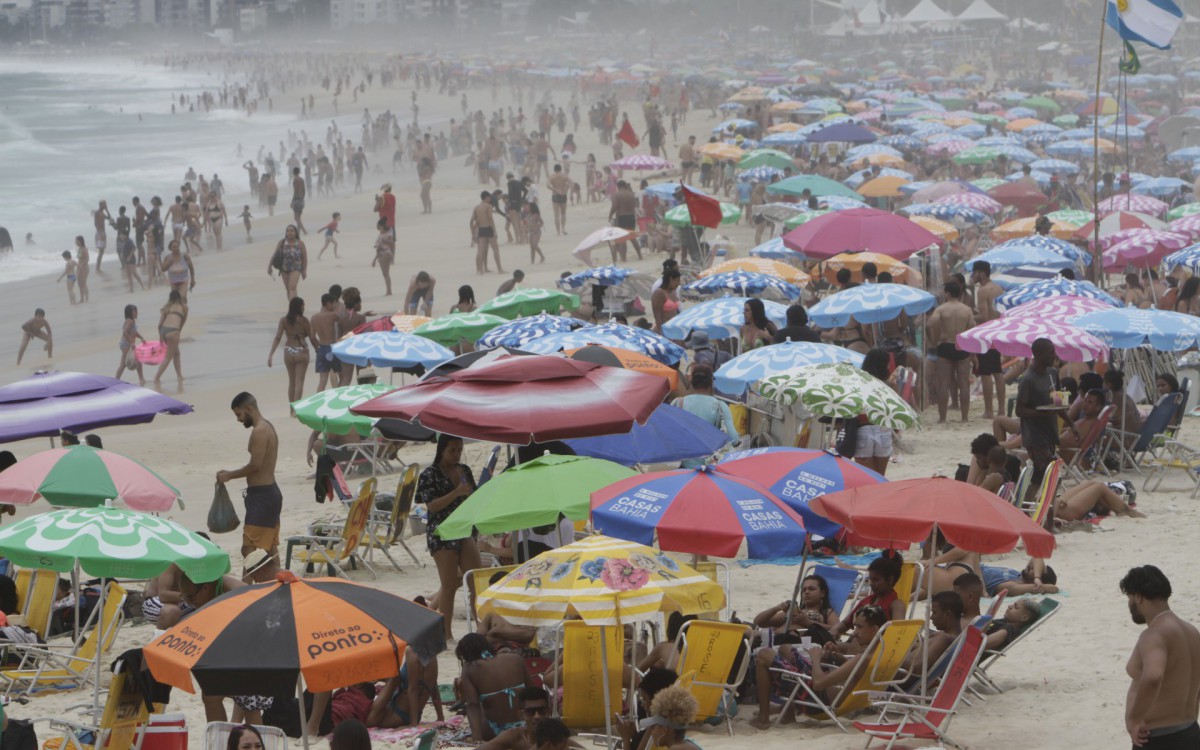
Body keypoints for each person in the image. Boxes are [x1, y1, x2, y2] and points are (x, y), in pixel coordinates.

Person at [1121, 565, 1200, 748]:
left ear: (1138, 597)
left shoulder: (1154, 635)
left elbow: (1153, 676)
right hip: (1190, 732)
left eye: (1129, 597)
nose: (1129, 604)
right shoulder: (1192, 632)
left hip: (1159, 738)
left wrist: (1134, 719)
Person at [418, 434, 482, 641]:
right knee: (448, 586)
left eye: (459, 450)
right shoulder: (430, 474)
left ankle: (482, 627)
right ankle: (446, 634)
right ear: (442, 450)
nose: (456, 455)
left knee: (475, 580)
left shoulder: (464, 471)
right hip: (441, 531)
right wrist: (456, 493)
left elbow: (475, 498)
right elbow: (432, 506)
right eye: (451, 450)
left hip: (463, 528)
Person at [217, 393, 282, 559]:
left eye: (239, 414)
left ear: (248, 409)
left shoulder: (260, 431)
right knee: (270, 548)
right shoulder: (267, 426)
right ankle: (278, 583)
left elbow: (255, 465)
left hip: (263, 497)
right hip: (268, 494)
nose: (238, 419)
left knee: (249, 550)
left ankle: (247, 585)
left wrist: (229, 475)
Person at [457, 633, 534, 741]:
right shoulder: (516, 658)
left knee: (481, 706)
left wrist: (477, 739)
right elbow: (533, 691)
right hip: (524, 725)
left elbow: (472, 705)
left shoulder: (469, 668)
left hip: (494, 731)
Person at [1016, 338, 1060, 510]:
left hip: (1050, 432)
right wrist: (1040, 413)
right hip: (1034, 434)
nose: (1054, 355)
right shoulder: (1028, 379)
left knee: (1041, 475)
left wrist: (1071, 424)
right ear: (1039, 354)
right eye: (1051, 352)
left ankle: (1024, 508)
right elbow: (1020, 410)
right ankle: (1045, 512)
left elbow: (1058, 401)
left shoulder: (1052, 374)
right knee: (1051, 474)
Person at [671, 367, 738, 466]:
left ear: (692, 382)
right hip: (709, 467)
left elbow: (667, 433)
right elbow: (734, 439)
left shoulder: (678, 402)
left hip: (681, 466)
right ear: (711, 383)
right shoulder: (720, 406)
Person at [929, 281, 974, 423]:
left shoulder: (941, 309)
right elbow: (972, 329)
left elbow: (929, 324)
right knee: (964, 384)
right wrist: (973, 352)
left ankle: (942, 418)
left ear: (947, 293)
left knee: (944, 383)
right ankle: (965, 417)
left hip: (946, 345)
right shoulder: (967, 310)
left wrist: (933, 341)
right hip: (961, 346)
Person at [831, 557, 905, 637]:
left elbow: (897, 632)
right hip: (858, 644)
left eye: (876, 580)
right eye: (870, 579)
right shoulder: (866, 601)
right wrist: (834, 630)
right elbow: (845, 623)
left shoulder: (896, 605)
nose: (871, 583)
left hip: (876, 645)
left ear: (890, 580)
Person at [972, 261, 1006, 419]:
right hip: (998, 332)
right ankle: (1001, 410)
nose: (973, 275)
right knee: (998, 372)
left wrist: (970, 314)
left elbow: (984, 317)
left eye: (975, 272)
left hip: (986, 334)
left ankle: (989, 411)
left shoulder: (983, 291)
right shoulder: (999, 288)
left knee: (985, 373)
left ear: (982, 273)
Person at [268, 297, 317, 404]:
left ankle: (291, 410)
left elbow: (277, 338)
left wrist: (271, 354)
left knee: (292, 382)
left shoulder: (284, 320)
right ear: (299, 307)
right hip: (301, 350)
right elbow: (312, 338)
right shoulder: (304, 321)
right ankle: (296, 410)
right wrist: (318, 350)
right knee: (299, 382)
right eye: (303, 305)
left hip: (288, 351)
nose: (304, 308)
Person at [854, 349, 894, 475]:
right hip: (883, 431)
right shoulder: (889, 385)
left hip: (863, 430)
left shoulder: (858, 383)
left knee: (867, 479)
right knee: (880, 478)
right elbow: (896, 409)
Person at [476, 686, 552, 750]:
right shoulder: (515, 736)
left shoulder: (558, 737)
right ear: (521, 715)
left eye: (542, 710)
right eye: (530, 712)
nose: (537, 716)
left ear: (549, 712)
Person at [1057, 479, 1145, 521]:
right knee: (1100, 487)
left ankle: (1113, 507)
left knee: (1092, 483)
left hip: (1055, 503)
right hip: (1057, 511)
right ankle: (1127, 511)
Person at [153, 289, 188, 389]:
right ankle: (156, 378)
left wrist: (161, 337)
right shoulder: (184, 308)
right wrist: (176, 334)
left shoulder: (167, 307)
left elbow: (159, 324)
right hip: (174, 331)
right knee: (168, 357)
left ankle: (179, 376)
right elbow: (181, 324)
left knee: (176, 353)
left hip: (163, 330)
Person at [311, 293, 342, 392]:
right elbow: (343, 319)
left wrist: (317, 348)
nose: (334, 306)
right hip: (332, 348)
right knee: (339, 376)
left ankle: (317, 403)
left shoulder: (314, 317)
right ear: (328, 303)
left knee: (322, 381)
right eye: (333, 304)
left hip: (322, 348)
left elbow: (312, 336)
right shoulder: (333, 315)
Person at [269, 225, 307, 301]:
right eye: (288, 231)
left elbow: (304, 257)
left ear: (296, 232)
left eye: (291, 230)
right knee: (288, 290)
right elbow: (275, 254)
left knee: (292, 287)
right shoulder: (282, 242)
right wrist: (269, 266)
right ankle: (292, 308)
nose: (289, 232)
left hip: (296, 268)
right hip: (284, 268)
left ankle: (295, 308)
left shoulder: (300, 243)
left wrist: (304, 270)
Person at [472, 191, 503, 274]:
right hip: (488, 229)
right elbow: (490, 219)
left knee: (480, 251)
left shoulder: (477, 207)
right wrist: (495, 231)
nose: (490, 199)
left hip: (481, 230)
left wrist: (474, 234)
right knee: (495, 249)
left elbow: (474, 221)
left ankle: (479, 270)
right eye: (489, 198)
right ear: (486, 198)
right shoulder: (488, 206)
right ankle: (499, 269)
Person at [115, 304, 146, 385]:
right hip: (126, 344)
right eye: (134, 311)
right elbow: (125, 332)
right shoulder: (130, 321)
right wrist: (131, 342)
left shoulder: (132, 321)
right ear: (129, 313)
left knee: (136, 361)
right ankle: (116, 380)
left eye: (136, 311)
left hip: (126, 343)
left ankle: (141, 379)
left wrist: (141, 337)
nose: (136, 313)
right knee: (124, 364)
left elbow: (134, 332)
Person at [651, 269, 681, 334]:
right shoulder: (659, 292)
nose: (679, 283)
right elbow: (657, 315)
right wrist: (661, 332)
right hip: (664, 330)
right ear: (670, 279)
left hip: (674, 329)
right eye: (677, 280)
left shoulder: (673, 292)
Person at [372, 218, 395, 296]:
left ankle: (389, 291)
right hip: (383, 254)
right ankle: (389, 290)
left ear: (382, 226)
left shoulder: (387, 234)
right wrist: (375, 259)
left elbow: (392, 243)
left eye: (379, 227)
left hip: (385, 253)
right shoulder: (384, 234)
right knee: (385, 274)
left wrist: (374, 260)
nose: (378, 228)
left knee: (386, 273)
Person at [290, 166, 308, 234]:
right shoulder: (301, 179)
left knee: (296, 218)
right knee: (299, 218)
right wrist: (302, 198)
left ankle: (304, 231)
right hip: (302, 199)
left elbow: (295, 191)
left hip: (297, 200)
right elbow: (304, 190)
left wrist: (292, 201)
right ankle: (298, 232)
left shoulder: (295, 180)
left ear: (293, 173)